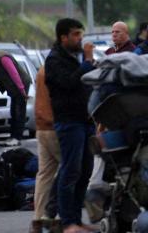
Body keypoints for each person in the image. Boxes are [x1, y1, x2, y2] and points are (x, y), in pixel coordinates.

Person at [44, 18, 96, 233]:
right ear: (63, 37)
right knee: (70, 171)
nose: (79, 38)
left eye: (80, 34)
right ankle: (67, 223)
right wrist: (86, 62)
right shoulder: (55, 59)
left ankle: (76, 218)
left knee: (85, 171)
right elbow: (68, 83)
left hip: (84, 121)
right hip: (69, 122)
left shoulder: (71, 57)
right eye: (75, 34)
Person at [32, 65, 61, 226]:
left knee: (44, 173)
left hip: (42, 126)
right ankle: (58, 215)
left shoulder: (43, 69)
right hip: (55, 125)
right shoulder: (58, 69)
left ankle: (39, 217)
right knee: (70, 169)